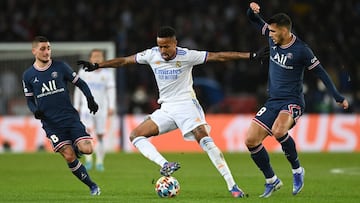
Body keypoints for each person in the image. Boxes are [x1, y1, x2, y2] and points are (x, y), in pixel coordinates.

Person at [78, 26, 267, 198]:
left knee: (205, 139)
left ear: (175, 43)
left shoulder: (187, 55)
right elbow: (125, 61)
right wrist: (98, 65)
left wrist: (250, 56)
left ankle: (232, 185)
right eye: (160, 46)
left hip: (186, 105)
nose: (163, 51)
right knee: (135, 135)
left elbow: (219, 56)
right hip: (166, 108)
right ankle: (164, 165)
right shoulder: (152, 55)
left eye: (166, 46)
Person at [245, 2, 349, 198]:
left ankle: (297, 170)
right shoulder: (271, 36)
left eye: (275, 32)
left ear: (285, 30)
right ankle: (271, 180)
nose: (271, 34)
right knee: (250, 140)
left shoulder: (302, 50)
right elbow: (252, 19)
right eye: (270, 31)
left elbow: (322, 74)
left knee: (278, 130)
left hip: (292, 101)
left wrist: (338, 96)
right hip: (273, 101)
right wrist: (252, 10)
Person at [22, 36, 101, 195]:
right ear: (34, 51)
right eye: (43, 49)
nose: (47, 52)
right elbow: (30, 100)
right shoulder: (28, 75)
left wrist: (90, 99)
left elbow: (81, 83)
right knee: (69, 156)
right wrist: (34, 110)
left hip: (70, 118)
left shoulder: (60, 67)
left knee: (87, 149)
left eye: (49, 48)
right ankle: (92, 186)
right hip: (51, 124)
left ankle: (77, 145)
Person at [73, 49, 116, 172]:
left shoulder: (107, 74)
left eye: (99, 56)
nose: (97, 58)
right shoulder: (84, 72)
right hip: (86, 109)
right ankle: (88, 161)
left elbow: (111, 90)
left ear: (103, 59)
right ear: (90, 59)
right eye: (94, 56)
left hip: (101, 109)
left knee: (101, 135)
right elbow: (78, 90)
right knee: (86, 135)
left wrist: (111, 106)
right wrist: (76, 105)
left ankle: (100, 162)